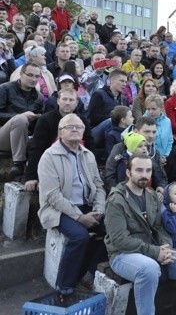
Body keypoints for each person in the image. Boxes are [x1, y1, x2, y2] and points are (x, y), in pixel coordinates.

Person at [104, 155, 176, 315]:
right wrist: (156, 252)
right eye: (139, 170)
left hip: (153, 250)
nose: (144, 174)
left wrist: (166, 248)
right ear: (128, 172)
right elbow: (120, 240)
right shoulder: (116, 200)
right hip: (123, 255)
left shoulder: (150, 194)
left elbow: (160, 227)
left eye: (148, 170)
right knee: (149, 269)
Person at [37, 113, 107, 294]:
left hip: (87, 205)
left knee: (113, 230)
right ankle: (65, 285)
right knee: (80, 236)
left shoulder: (88, 155)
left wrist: (99, 209)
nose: (75, 129)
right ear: (60, 132)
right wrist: (79, 217)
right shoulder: (49, 156)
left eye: (79, 126)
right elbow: (52, 195)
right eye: (69, 126)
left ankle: (88, 275)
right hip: (58, 210)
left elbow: (99, 185)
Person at [0, 61, 44, 177]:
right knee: (20, 119)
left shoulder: (39, 97)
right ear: (21, 74)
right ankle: (18, 163)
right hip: (3, 136)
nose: (33, 79)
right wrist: (21, 116)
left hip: (25, 136)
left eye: (37, 76)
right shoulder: (5, 89)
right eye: (30, 75)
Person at [144, 94, 174, 159]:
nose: (150, 112)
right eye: (148, 109)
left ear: (161, 107)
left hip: (164, 158)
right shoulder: (143, 121)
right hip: (148, 158)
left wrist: (166, 155)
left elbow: (170, 140)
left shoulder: (167, 121)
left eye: (153, 109)